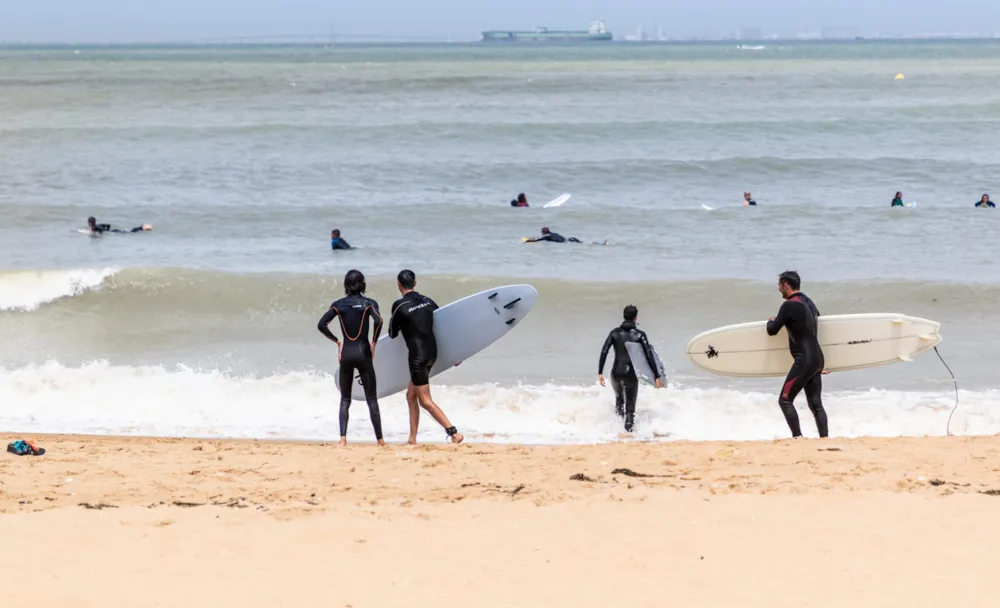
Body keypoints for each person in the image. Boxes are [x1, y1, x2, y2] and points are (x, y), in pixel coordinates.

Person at [388, 269, 463, 445]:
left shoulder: (399, 306)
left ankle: (454, 433)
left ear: (399, 285)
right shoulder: (427, 301)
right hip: (432, 353)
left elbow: (392, 333)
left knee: (425, 401)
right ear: (415, 283)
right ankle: (412, 439)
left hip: (417, 358)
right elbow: (442, 324)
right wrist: (455, 354)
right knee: (410, 395)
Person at [317, 269, 385, 446]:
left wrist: (338, 342)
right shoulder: (369, 303)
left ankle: (342, 439)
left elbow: (321, 324)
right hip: (364, 352)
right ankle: (380, 441)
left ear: (346, 285)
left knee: (345, 398)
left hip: (347, 353)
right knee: (371, 399)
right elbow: (379, 321)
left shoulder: (338, 305)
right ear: (362, 284)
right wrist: (374, 342)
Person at [765, 270, 829, 439]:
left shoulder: (789, 305)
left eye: (779, 285)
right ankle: (824, 438)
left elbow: (772, 331)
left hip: (805, 360)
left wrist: (771, 321)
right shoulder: (809, 302)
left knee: (785, 400)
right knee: (816, 404)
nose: (779, 289)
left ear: (786, 285)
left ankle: (797, 437)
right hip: (818, 359)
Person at [598, 305, 664, 433]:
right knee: (630, 409)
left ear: (624, 316)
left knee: (619, 400)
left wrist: (600, 372)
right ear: (636, 317)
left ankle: (617, 430)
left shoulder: (614, 333)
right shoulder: (640, 335)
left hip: (616, 373)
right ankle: (628, 434)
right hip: (631, 375)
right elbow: (648, 355)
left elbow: (604, 351)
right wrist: (656, 375)